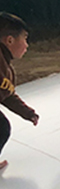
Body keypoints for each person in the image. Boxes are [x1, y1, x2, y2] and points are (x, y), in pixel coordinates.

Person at [0, 12, 40, 174]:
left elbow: (7, 94)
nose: (27, 45)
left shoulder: (5, 67)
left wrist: (27, 113)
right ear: (10, 40)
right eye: (24, 39)